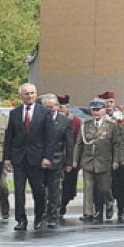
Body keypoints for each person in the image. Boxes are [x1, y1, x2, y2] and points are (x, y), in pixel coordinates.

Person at [4, 83, 54, 230]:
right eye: (27, 94)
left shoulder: (44, 113)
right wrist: (7, 158)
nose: (30, 96)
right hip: (19, 158)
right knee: (19, 191)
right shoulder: (15, 113)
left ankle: (39, 216)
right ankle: (21, 219)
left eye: (32, 93)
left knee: (38, 190)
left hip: (37, 158)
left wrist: (47, 157)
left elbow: (50, 138)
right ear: (21, 96)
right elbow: (9, 137)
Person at [75, 98, 121, 223]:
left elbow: (116, 145)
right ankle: (88, 213)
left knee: (104, 187)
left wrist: (116, 161)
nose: (95, 112)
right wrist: (75, 160)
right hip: (88, 160)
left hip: (104, 161)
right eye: (93, 110)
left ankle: (109, 203)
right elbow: (79, 144)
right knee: (88, 188)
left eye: (98, 110)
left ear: (104, 110)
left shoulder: (111, 125)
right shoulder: (86, 125)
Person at [42, 94, 74, 228]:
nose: (49, 109)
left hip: (57, 159)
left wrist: (69, 162)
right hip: (39, 160)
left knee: (54, 190)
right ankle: (41, 213)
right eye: (46, 107)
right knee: (40, 189)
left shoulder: (65, 121)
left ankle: (53, 215)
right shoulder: (39, 118)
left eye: (51, 107)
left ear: (57, 106)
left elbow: (69, 143)